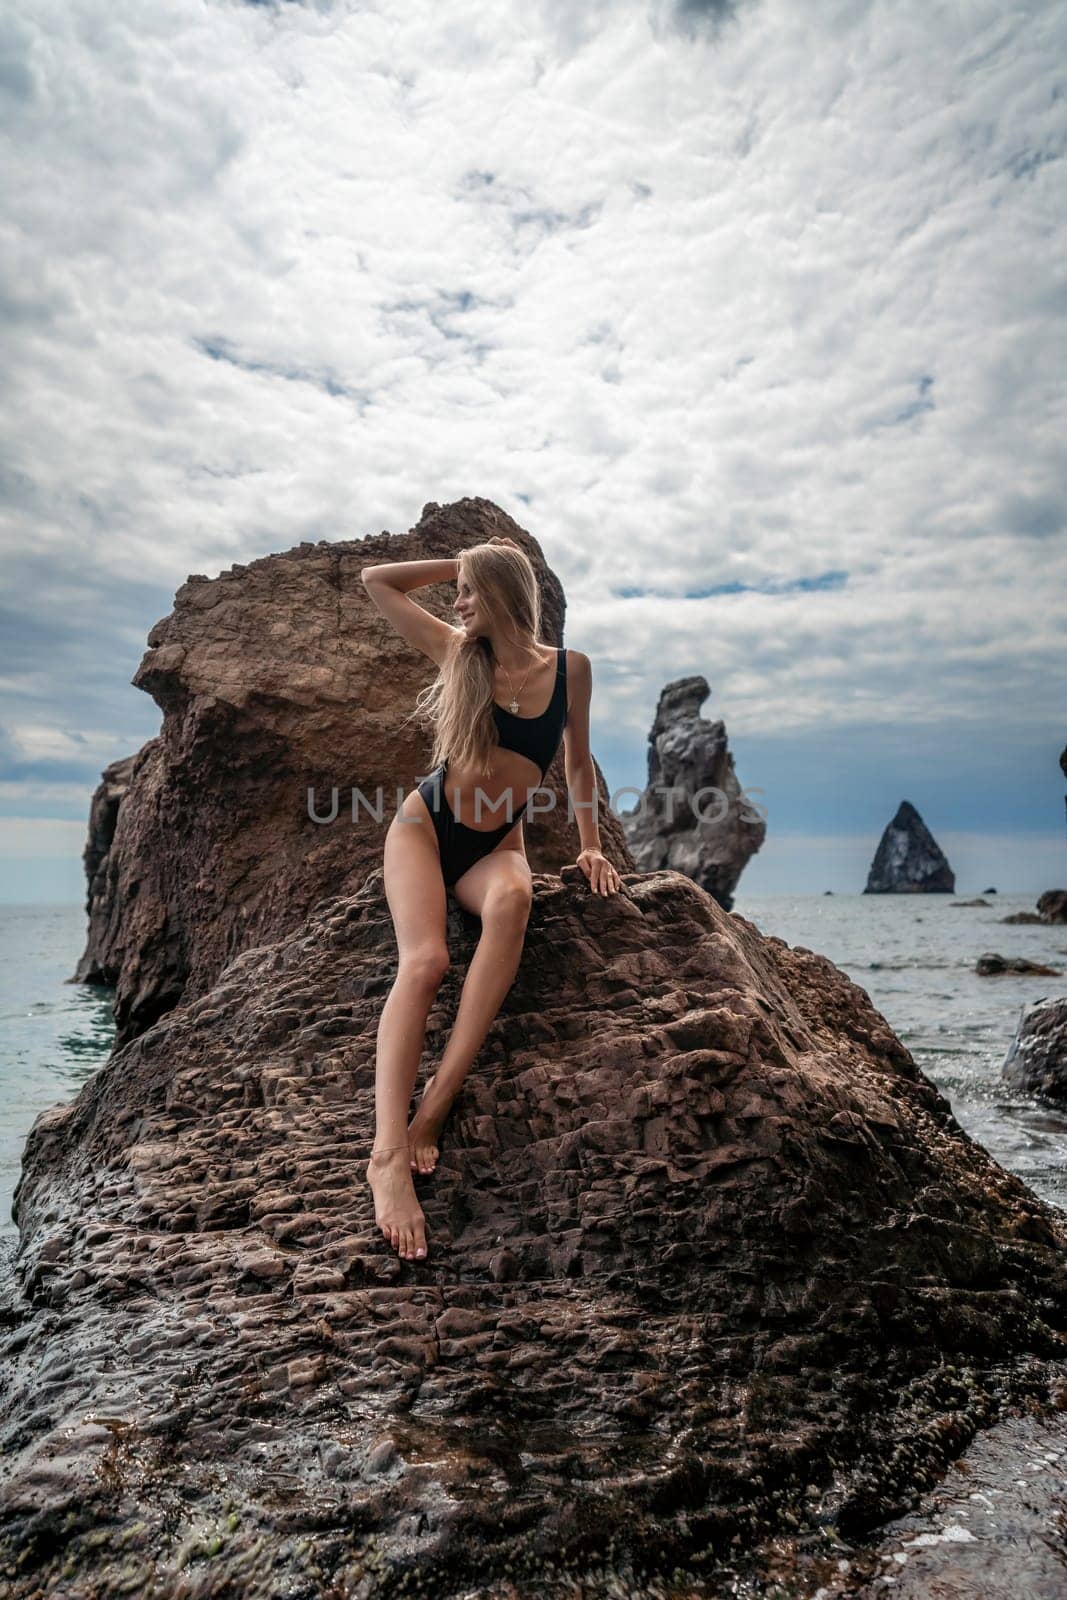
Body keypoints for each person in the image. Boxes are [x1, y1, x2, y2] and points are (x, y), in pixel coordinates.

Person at [359, 536, 621, 1262]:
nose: (459, 603)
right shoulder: (457, 652)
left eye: (472, 591)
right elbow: (377, 581)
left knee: (514, 902)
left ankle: (436, 1102)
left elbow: (575, 764)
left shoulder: (569, 670)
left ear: (506, 592)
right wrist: (460, 563)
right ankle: (386, 1157)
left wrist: (589, 844)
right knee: (426, 963)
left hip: (496, 847)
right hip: (424, 831)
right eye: (457, 592)